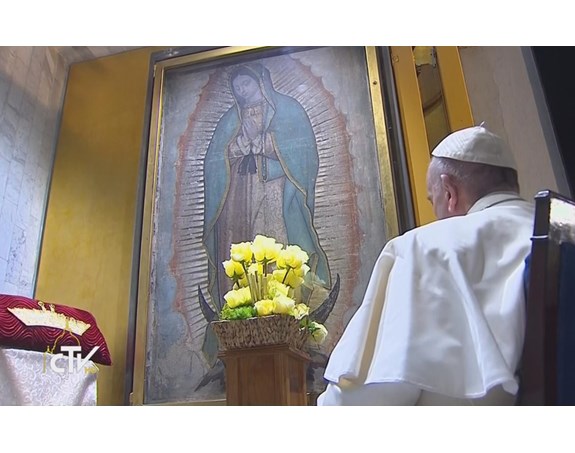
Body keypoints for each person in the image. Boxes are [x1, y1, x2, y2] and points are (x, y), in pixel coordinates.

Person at [317, 124, 534, 405]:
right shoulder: (570, 233)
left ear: (449, 192)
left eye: (433, 201)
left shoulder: (423, 248)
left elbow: (367, 400)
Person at [202, 63, 331, 312]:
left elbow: (304, 151)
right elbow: (214, 160)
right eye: (237, 86)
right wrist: (235, 148)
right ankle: (241, 307)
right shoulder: (231, 119)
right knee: (241, 245)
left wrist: (267, 143)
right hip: (238, 198)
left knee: (276, 239)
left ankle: (283, 306)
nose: (241, 90)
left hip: (276, 192)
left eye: (246, 83)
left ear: (261, 81)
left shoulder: (288, 110)